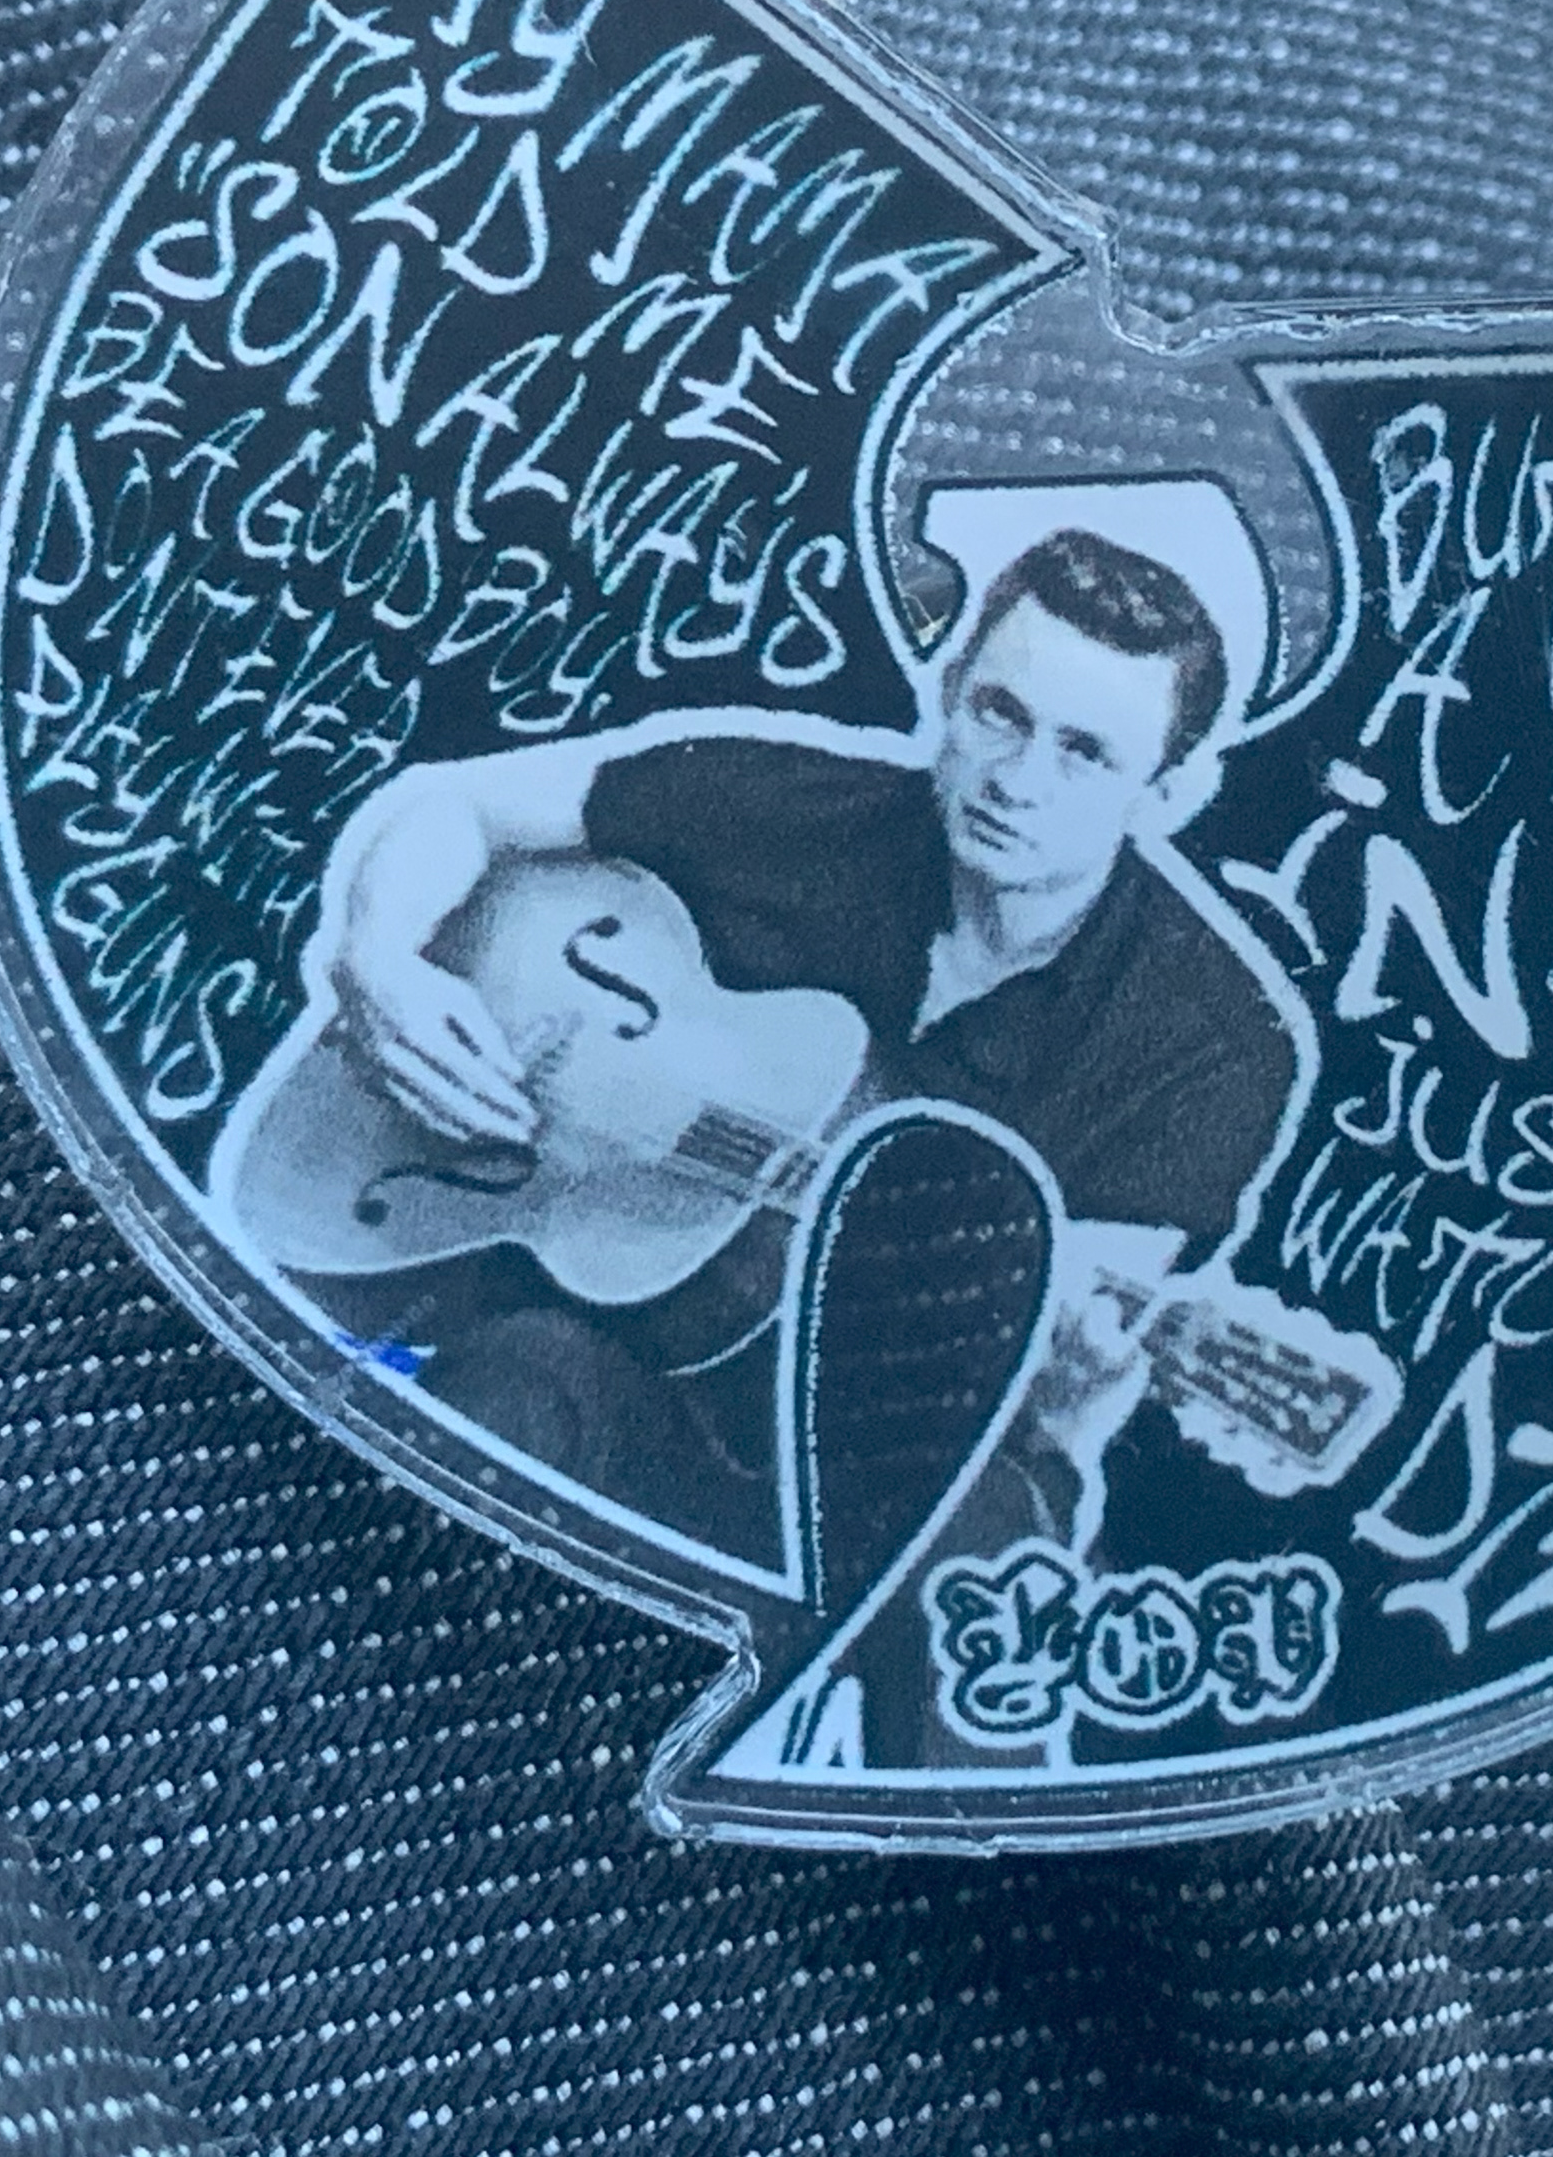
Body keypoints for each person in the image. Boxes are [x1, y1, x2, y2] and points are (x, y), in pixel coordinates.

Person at [276, 526, 1303, 1573]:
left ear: (1167, 794)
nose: (1019, 781)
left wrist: (1071, 1388)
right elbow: (456, 809)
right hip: (592, 1347)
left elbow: (1062, 1335)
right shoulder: (796, 805)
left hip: (856, 1459)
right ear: (951, 687)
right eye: (1001, 713)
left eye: (1086, 753)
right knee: (512, 1389)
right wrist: (379, 959)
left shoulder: (1216, 1043)